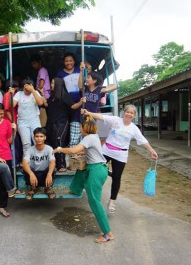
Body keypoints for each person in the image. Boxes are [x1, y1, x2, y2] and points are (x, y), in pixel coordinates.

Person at [82, 105, 158, 214]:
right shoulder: (115, 120)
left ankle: (112, 202)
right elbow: (100, 117)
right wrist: (88, 112)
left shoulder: (134, 128)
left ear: (134, 116)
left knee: (116, 178)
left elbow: (143, 140)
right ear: (124, 112)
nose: (129, 114)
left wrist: (151, 151)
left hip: (121, 155)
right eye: (127, 112)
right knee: (95, 166)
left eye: (132, 113)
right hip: (107, 150)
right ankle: (85, 186)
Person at [52, 116, 114, 244]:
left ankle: (108, 233)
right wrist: (83, 153)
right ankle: (76, 189)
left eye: (81, 126)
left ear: (84, 128)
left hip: (96, 171)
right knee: (81, 170)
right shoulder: (94, 136)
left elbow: (73, 150)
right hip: (97, 167)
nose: (80, 128)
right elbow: (92, 151)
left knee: (95, 202)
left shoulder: (88, 138)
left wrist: (59, 149)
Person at [45, 77, 84, 172]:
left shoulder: (64, 96)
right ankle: (53, 164)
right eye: (51, 83)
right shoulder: (52, 97)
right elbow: (46, 106)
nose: (51, 85)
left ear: (58, 85)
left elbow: (73, 106)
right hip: (50, 123)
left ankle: (62, 165)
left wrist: (80, 102)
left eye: (53, 83)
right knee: (50, 143)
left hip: (61, 123)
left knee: (58, 143)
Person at [11, 78, 43, 157]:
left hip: (35, 121)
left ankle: (39, 162)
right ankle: (27, 164)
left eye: (28, 88)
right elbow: (11, 105)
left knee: (38, 141)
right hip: (22, 122)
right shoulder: (19, 94)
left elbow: (40, 103)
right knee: (26, 144)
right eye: (25, 89)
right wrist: (11, 94)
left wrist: (33, 91)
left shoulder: (35, 93)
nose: (27, 91)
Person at [22, 127, 56, 200]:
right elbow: (24, 162)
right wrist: (31, 174)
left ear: (45, 137)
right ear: (34, 138)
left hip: (45, 174)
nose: (39, 138)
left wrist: (49, 174)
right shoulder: (30, 149)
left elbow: (52, 162)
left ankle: (47, 188)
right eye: (37, 136)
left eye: (41, 136)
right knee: (26, 168)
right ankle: (33, 188)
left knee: (52, 168)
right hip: (34, 174)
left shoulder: (49, 149)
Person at [56, 52, 82, 148]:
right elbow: (59, 87)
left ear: (74, 61)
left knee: (78, 122)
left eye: (70, 60)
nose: (68, 63)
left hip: (80, 99)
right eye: (66, 61)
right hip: (67, 101)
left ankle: (78, 145)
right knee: (68, 122)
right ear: (64, 62)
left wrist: (84, 66)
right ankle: (68, 144)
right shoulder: (60, 73)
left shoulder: (79, 69)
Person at [3, 79, 23, 167]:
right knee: (14, 143)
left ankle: (16, 163)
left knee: (17, 143)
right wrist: (13, 122)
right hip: (10, 122)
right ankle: (14, 164)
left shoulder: (14, 95)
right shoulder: (8, 95)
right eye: (16, 87)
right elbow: (7, 110)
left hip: (13, 122)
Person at [31, 53, 50, 126]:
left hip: (44, 96)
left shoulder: (42, 70)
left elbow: (41, 85)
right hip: (43, 96)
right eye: (32, 64)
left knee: (43, 119)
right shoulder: (41, 70)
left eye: (35, 63)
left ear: (39, 62)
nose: (33, 66)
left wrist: (34, 90)